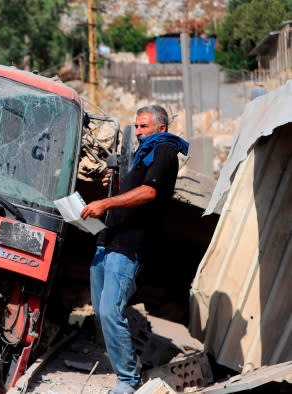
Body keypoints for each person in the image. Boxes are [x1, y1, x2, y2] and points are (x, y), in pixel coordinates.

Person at [80, 105, 188, 394]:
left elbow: (149, 192)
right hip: (108, 241)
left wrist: (105, 203)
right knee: (103, 312)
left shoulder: (164, 151)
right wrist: (114, 184)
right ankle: (128, 366)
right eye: (137, 127)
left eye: (144, 127)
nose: (138, 132)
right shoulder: (143, 154)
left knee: (109, 311)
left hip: (128, 247)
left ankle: (127, 380)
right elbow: (132, 190)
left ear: (160, 129)